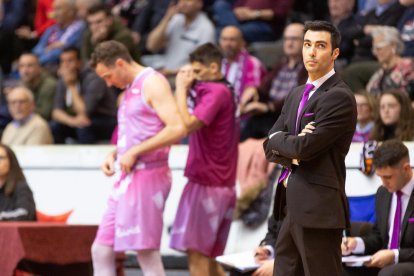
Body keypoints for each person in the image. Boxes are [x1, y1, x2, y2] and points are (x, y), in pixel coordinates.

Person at [263, 20, 357, 275]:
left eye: (320, 45)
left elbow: (305, 147)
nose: (311, 52)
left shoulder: (338, 96)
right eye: (307, 45)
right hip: (290, 206)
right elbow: (268, 144)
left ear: (334, 53)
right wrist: (288, 147)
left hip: (319, 208)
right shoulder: (295, 94)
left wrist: (286, 144)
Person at [90, 40, 186, 276]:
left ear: (120, 63)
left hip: (149, 175)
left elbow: (176, 128)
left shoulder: (152, 82)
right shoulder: (129, 89)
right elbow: (137, 132)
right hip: (127, 177)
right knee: (101, 248)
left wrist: (134, 152)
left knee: (145, 252)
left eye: (108, 75)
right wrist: (116, 153)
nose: (108, 83)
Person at [170, 43, 238, 276]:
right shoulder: (224, 88)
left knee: (197, 257)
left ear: (213, 67)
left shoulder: (216, 92)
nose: (195, 79)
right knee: (209, 260)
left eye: (198, 73)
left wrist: (180, 88)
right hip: (219, 184)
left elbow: (189, 124)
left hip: (208, 184)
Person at [342, 140, 414, 276]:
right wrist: (356, 243)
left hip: (408, 261)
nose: (383, 183)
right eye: (380, 177)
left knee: (389, 273)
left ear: (406, 169)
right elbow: (379, 236)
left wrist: (394, 255)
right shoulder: (383, 192)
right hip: (386, 262)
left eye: (388, 177)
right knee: (342, 269)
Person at [239, 22, 307, 141]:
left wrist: (269, 107)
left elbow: (299, 97)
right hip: (269, 115)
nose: (289, 43)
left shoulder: (309, 68)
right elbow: (264, 88)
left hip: (289, 120)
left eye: (294, 39)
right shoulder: (281, 63)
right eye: (286, 39)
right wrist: (253, 91)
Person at [51, 47, 117, 144]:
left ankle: (88, 158)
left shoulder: (94, 79)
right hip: (79, 119)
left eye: (70, 61)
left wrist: (71, 86)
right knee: (55, 126)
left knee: (83, 127)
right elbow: (56, 112)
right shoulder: (64, 78)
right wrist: (72, 121)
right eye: (63, 61)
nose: (66, 65)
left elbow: (85, 111)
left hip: (105, 120)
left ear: (79, 62)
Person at [145, 0, 215, 75]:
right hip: (167, 72)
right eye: (181, 0)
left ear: (199, 4)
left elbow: (203, 63)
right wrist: (167, 18)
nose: (183, 3)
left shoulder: (206, 28)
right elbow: (151, 46)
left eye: (188, 0)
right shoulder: (176, 19)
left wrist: (172, 72)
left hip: (188, 77)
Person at [219, 25, 266, 104]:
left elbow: (251, 90)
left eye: (232, 40)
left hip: (243, 111)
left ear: (242, 43)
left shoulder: (252, 63)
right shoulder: (217, 62)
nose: (227, 44)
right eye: (224, 39)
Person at [366, 26, 414, 100]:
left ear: (393, 45)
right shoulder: (379, 74)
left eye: (379, 48)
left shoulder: (410, 68)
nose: (375, 53)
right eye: (374, 49)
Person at [0, 143, 36, 221]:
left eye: (0, 158)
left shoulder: (21, 187)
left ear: (11, 161)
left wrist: (2, 216)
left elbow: (24, 213)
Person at [18, 53, 57, 121]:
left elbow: (44, 114)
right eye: (22, 66)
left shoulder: (49, 84)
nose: (25, 70)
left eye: (29, 66)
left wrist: (22, 107)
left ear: (39, 67)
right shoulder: (23, 82)